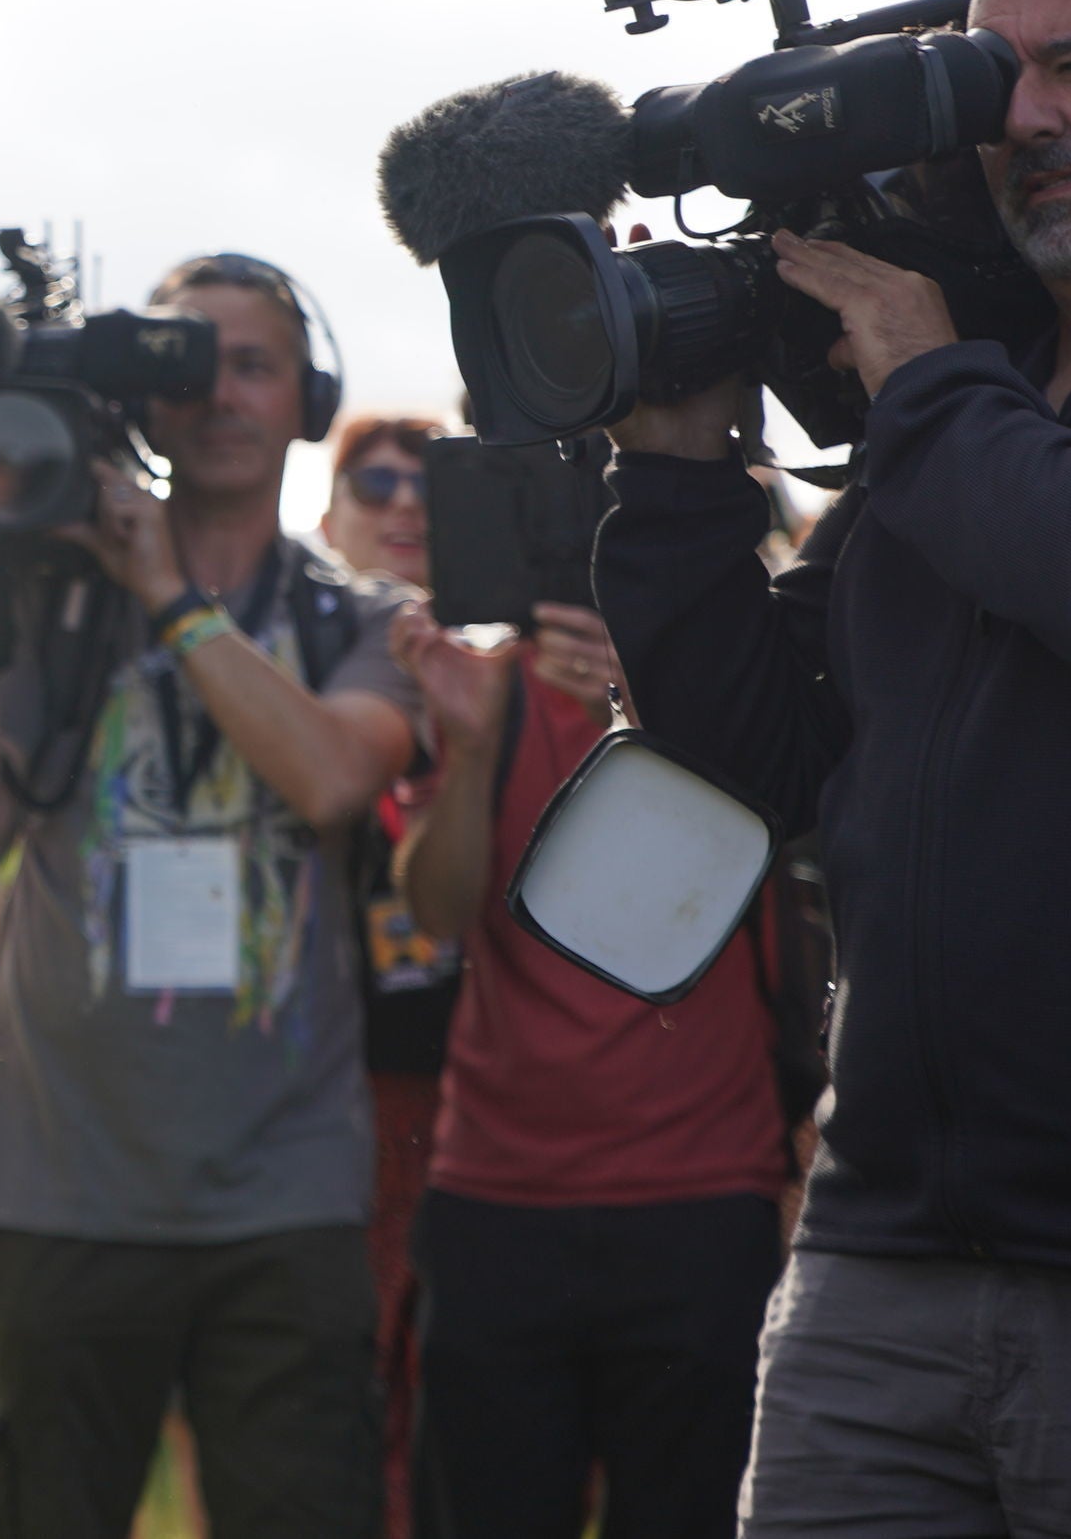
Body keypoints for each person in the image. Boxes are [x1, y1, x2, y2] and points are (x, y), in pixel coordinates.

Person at [592, 0, 1071, 1535]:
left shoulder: (944, 405)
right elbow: (756, 755)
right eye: (991, 77)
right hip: (876, 1262)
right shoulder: (959, 411)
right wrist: (675, 470)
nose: (1025, 118)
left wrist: (923, 387)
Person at [0, 253, 424, 1539]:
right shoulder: (47, 594)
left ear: (309, 394)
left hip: (283, 1196)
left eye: (252, 364)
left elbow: (325, 777)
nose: (220, 393)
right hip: (60, 1186)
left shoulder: (355, 614)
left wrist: (166, 595)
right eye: (185, 361)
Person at [383, 583, 790, 1539]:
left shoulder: (743, 674)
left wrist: (658, 707)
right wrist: (474, 744)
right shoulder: (486, 688)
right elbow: (438, 910)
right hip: (501, 1199)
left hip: (701, 1192)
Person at [314, 412, 449, 1539]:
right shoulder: (270, 677)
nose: (404, 502)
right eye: (374, 483)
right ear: (326, 519)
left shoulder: (533, 678)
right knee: (327, 1414)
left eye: (432, 482)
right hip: (328, 1101)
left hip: (489, 1108)